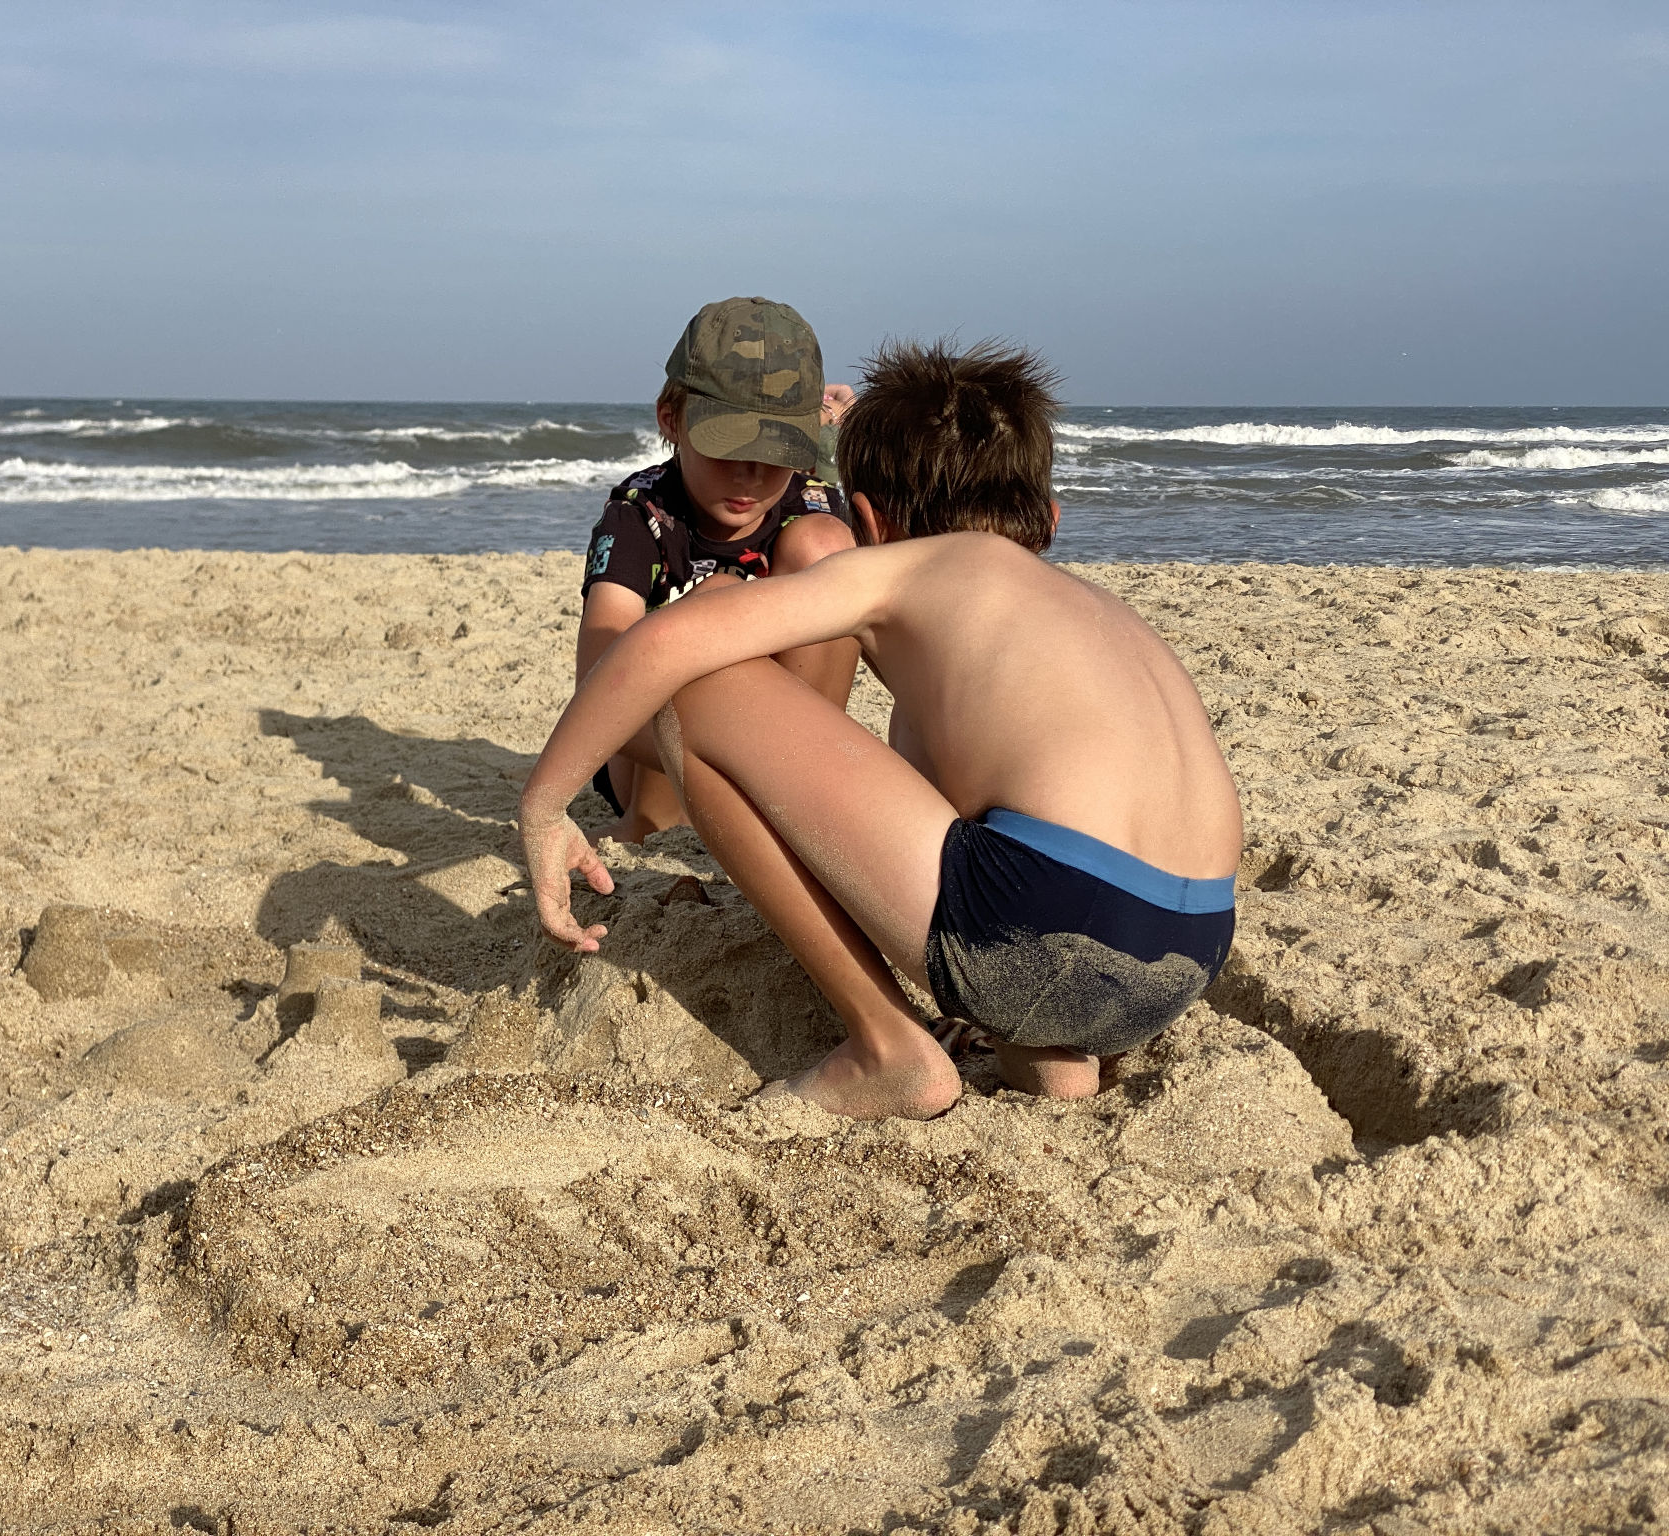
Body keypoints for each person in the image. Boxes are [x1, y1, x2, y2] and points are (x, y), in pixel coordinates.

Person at [521, 339, 1242, 1118]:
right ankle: (1055, 1067)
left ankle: (886, 1048)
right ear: (1050, 515)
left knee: (694, 682)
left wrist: (543, 807)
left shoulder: (911, 567)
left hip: (1044, 920)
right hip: (1188, 954)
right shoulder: (1098, 613)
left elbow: (666, 641)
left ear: (867, 519)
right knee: (990, 811)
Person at [579, 296, 860, 844]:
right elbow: (596, 683)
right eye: (727, 446)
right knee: (713, 607)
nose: (750, 475)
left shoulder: (816, 501)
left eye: (776, 448)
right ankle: (643, 826)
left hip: (784, 748)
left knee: (831, 553)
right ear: (672, 420)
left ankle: (788, 795)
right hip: (651, 755)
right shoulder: (642, 516)